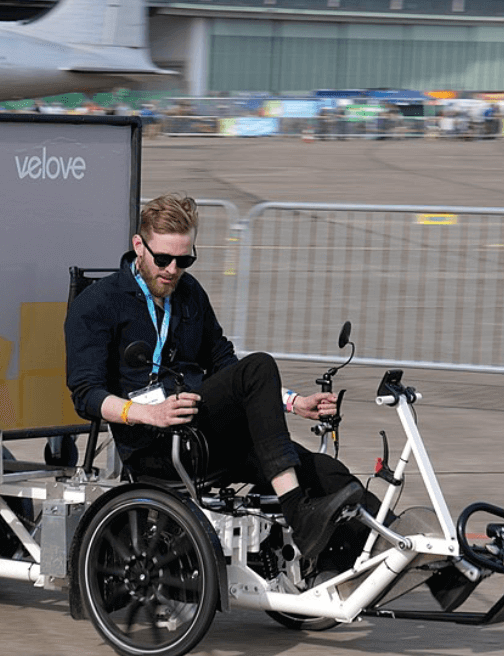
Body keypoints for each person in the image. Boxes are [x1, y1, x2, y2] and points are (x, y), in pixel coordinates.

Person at [65, 193, 365, 562]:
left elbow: (224, 363)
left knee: (329, 474)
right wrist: (149, 414)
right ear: (138, 246)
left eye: (184, 260)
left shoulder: (189, 293)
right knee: (259, 365)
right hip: (155, 445)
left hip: (203, 433)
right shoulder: (97, 303)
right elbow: (86, 395)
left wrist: (293, 403)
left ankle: (407, 555)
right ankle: (298, 513)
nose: (173, 269)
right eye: (163, 259)